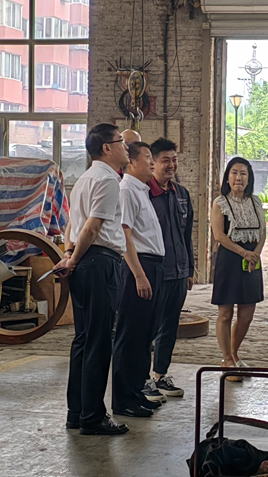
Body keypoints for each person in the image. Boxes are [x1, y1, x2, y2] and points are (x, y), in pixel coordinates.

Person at [53, 123, 130, 435]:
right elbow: (92, 227)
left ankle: (77, 412)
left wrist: (70, 255)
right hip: (99, 262)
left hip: (85, 261)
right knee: (99, 341)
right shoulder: (108, 180)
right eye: (121, 141)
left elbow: (73, 226)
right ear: (107, 148)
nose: (126, 147)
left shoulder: (85, 178)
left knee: (83, 339)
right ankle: (93, 417)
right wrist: (72, 258)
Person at [112, 141, 168, 414]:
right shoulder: (126, 190)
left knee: (145, 335)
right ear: (132, 162)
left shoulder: (142, 190)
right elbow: (125, 235)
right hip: (139, 266)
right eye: (147, 157)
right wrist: (139, 274)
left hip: (152, 265)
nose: (152, 162)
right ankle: (124, 400)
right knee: (131, 335)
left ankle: (136, 392)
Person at [210, 157, 266, 381]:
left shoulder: (255, 202)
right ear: (227, 177)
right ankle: (226, 360)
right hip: (230, 260)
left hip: (251, 261)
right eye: (234, 173)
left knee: (247, 314)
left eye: (243, 173)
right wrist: (243, 253)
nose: (238, 178)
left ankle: (234, 353)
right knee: (225, 313)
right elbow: (219, 236)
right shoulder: (220, 203)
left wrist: (255, 254)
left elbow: (262, 233)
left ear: (249, 178)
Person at [147, 137, 194, 399]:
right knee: (148, 327)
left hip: (178, 271)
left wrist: (190, 269)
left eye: (174, 160)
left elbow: (187, 235)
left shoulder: (182, 194)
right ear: (152, 163)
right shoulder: (144, 193)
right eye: (165, 160)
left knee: (170, 326)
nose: (171, 165)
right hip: (155, 273)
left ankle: (160, 375)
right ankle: (142, 379)